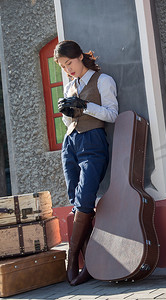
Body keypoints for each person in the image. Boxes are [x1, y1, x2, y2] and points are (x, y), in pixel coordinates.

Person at [54, 40, 118, 286]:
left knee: (85, 199)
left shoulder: (103, 80)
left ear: (80, 56)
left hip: (93, 142)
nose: (67, 69)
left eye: (69, 63)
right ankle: (90, 263)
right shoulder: (70, 86)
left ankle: (73, 262)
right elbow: (68, 124)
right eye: (62, 66)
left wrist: (85, 105)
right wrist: (67, 114)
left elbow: (112, 114)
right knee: (75, 198)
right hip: (70, 144)